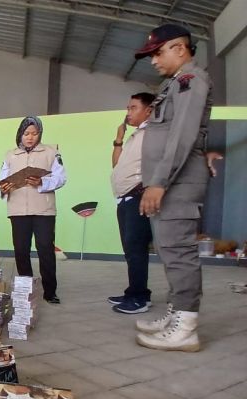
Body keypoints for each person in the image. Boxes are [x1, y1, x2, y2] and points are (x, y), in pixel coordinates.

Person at [132, 24, 212, 352]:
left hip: (178, 182)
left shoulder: (191, 81)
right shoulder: (173, 85)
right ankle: (175, 314)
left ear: (180, 49)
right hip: (168, 182)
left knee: (179, 252)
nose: (153, 61)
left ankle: (186, 327)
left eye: (157, 52)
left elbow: (182, 136)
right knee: (168, 250)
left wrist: (159, 183)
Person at [0, 116, 67, 304]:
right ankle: (26, 290)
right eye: (26, 133)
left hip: (44, 210)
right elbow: (2, 179)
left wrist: (42, 182)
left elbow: (61, 178)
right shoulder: (10, 155)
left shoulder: (51, 152)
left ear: (40, 134)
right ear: (20, 134)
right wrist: (3, 188)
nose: (30, 137)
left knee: (45, 248)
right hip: (18, 210)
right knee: (21, 250)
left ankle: (50, 291)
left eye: (34, 133)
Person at [108, 93, 156, 314]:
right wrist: (119, 139)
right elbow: (116, 165)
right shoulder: (135, 136)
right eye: (127, 107)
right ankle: (134, 291)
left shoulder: (153, 133)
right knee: (130, 249)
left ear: (149, 110)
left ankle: (139, 299)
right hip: (125, 199)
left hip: (138, 197)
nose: (128, 112)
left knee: (136, 249)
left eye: (133, 107)